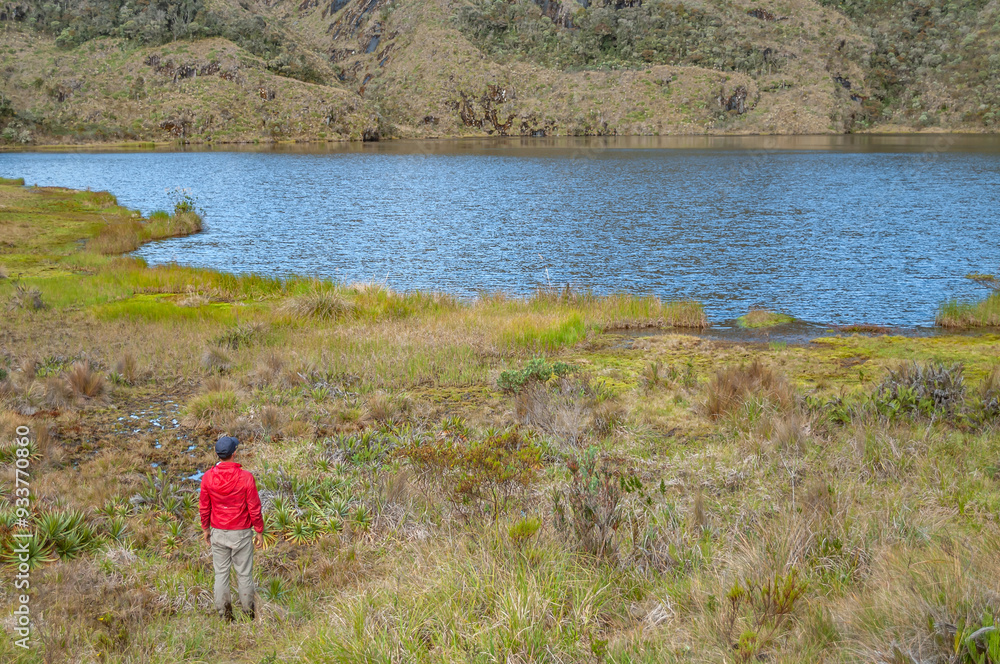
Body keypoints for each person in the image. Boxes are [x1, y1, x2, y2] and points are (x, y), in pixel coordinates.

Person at [199, 436, 264, 622]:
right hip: (241, 532)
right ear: (234, 453)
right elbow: (254, 507)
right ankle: (249, 615)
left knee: (221, 575)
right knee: (244, 575)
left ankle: (225, 617)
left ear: (218, 454)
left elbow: (204, 507)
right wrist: (259, 530)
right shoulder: (245, 477)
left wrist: (206, 529)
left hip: (218, 532)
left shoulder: (208, 477)